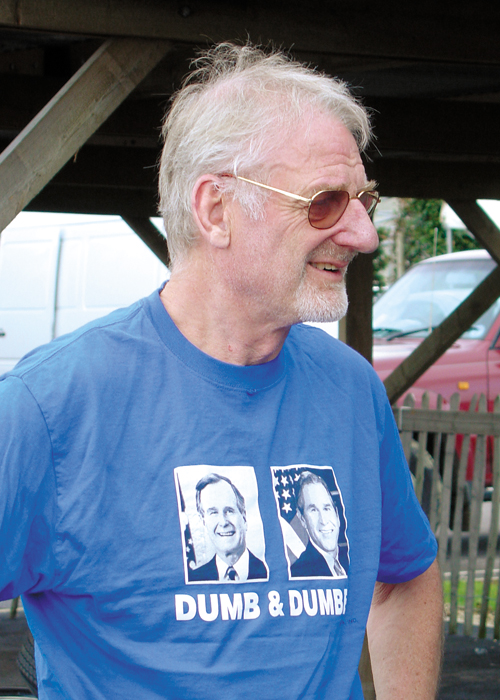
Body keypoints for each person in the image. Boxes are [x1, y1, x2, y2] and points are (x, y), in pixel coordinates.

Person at [0, 42, 443, 700]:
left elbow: (404, 574)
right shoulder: (48, 408)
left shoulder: (350, 388)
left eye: (364, 200)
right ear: (216, 210)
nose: (364, 234)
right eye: (325, 201)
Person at [189, 472, 268, 581]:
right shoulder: (195, 579)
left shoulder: (269, 572)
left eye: (229, 511)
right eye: (213, 513)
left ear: (244, 518)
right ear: (204, 522)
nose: (223, 522)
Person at [291, 471, 347, 578]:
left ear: (336, 513)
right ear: (302, 519)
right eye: (313, 510)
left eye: (326, 508)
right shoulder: (299, 572)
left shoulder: (354, 557)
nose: (324, 520)